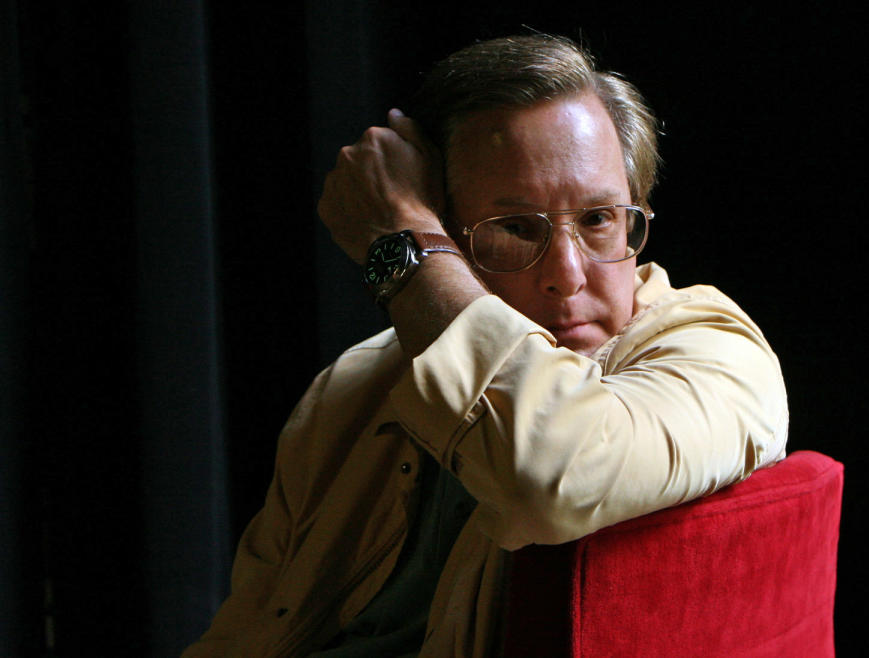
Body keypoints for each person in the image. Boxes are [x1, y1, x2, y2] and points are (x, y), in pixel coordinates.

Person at [183, 34, 788, 657]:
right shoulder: (352, 385)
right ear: (449, 235)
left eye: (599, 218)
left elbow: (547, 473)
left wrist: (400, 235)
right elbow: (249, 629)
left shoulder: (718, 353)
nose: (568, 272)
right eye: (515, 229)